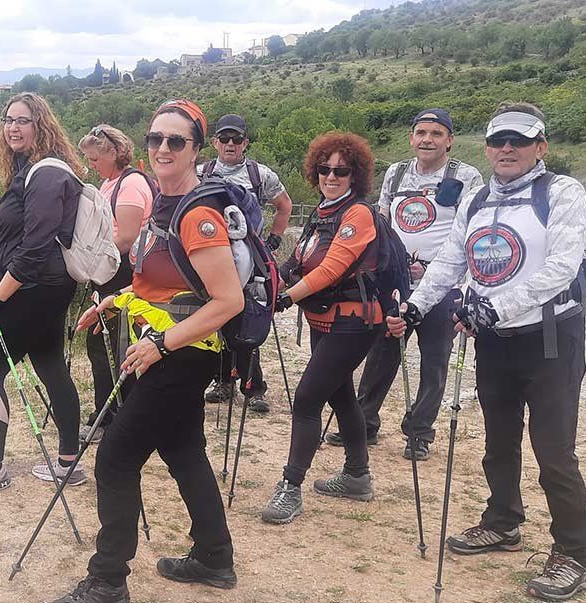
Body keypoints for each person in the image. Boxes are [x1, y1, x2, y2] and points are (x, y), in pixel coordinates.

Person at [386, 102, 586, 601]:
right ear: (486, 147)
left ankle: (573, 555)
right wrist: (415, 307)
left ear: (539, 148)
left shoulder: (562, 192)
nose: (507, 149)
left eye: (519, 142)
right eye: (499, 140)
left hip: (549, 340)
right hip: (495, 342)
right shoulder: (478, 199)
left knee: (554, 451)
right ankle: (502, 520)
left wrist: (494, 308)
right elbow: (450, 261)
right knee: (498, 442)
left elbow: (561, 268)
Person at [54, 99, 240, 603]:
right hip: (160, 347)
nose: (162, 147)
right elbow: (158, 283)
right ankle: (214, 557)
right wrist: (116, 299)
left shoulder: (199, 213)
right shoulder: (163, 201)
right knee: (183, 451)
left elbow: (227, 300)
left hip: (181, 354)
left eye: (175, 141)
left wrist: (160, 344)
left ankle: (108, 579)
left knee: (114, 459)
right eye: (156, 138)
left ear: (196, 149)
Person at [325, 109, 483, 459]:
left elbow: (471, 231)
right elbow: (381, 220)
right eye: (421, 132)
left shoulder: (467, 177)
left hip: (442, 285)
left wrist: (453, 275)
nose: (428, 139)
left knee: (434, 359)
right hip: (396, 281)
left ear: (450, 140)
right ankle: (363, 423)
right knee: (381, 352)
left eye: (437, 133)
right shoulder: (396, 174)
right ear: (412, 138)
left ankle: (419, 433)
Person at [0, 93, 86, 497]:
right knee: (50, 367)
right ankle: (68, 464)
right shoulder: (32, 169)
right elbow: (22, 240)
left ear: (40, 125)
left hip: (33, 290)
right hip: (44, 288)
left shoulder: (44, 174)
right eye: (8, 119)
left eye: (23, 120)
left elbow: (36, 247)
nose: (13, 127)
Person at [261, 132, 380, 525]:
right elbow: (298, 260)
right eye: (325, 168)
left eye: (341, 170)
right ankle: (357, 476)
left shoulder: (357, 214)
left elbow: (333, 269)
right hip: (324, 319)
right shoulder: (323, 213)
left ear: (355, 174)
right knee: (340, 395)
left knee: (308, 398)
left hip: (352, 321)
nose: (331, 176)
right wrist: (268, 279)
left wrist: (288, 297)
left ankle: (290, 488)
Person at [198, 114, 293, 413]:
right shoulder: (201, 171)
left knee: (249, 317)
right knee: (216, 318)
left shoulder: (260, 175)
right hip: (210, 254)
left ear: (245, 142)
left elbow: (284, 205)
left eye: (236, 139)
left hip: (250, 256)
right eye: (224, 139)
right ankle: (223, 381)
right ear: (214, 142)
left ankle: (253, 388)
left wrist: (274, 240)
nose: (230, 144)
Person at [77, 124, 156, 442]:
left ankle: (113, 417)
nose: (91, 165)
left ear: (113, 152)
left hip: (121, 273)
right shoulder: (111, 183)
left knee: (111, 345)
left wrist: (90, 256)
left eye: (95, 158)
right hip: (108, 271)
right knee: (103, 344)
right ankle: (112, 413)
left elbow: (126, 236)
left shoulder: (132, 184)